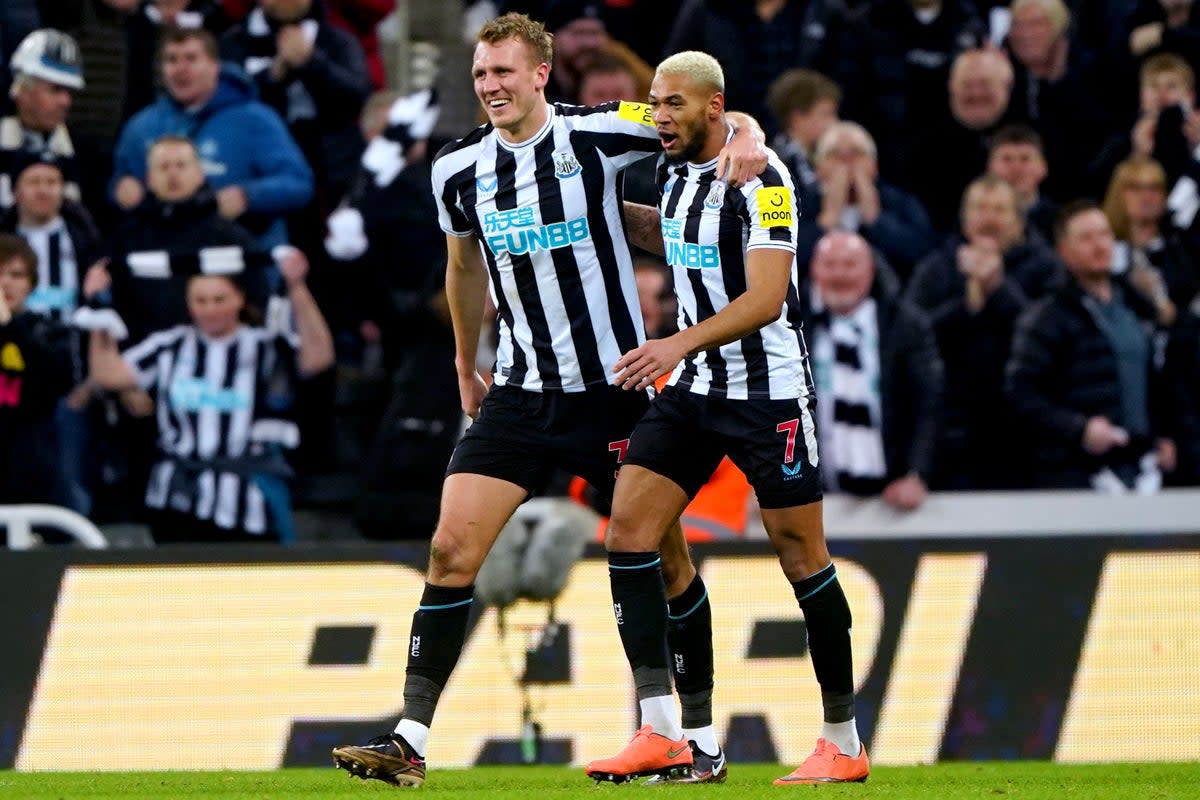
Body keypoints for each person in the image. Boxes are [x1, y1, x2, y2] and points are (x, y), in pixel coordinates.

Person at [330, 12, 767, 788]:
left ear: (540, 74)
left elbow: (695, 110)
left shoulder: (599, 132)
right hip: (520, 394)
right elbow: (462, 270)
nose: (490, 86)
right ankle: (409, 739)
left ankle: (696, 737)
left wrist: (746, 134)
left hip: (614, 391)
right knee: (450, 550)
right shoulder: (456, 169)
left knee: (666, 560)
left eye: (503, 72)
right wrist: (469, 362)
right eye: (480, 75)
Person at [581, 50, 868, 787]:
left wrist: (672, 342)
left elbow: (766, 297)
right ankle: (672, 734)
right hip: (698, 389)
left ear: (713, 107)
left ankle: (842, 739)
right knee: (630, 533)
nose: (659, 116)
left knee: (802, 558)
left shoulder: (765, 180)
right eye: (654, 102)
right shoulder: (673, 167)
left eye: (674, 104)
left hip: (769, 393)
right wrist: (596, 213)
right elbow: (670, 235)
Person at [84, 243, 335, 542]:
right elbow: (109, 374)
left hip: (245, 495)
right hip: (178, 494)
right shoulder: (170, 345)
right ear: (188, 304)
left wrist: (296, 288)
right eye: (200, 300)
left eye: (219, 299)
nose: (210, 309)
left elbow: (318, 358)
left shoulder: (264, 345)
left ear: (239, 299)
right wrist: (98, 307)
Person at [1006, 201, 1175, 490]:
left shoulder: (1138, 309)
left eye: (1104, 235)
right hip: (1076, 474)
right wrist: (1079, 429)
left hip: (1142, 469)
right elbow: (1020, 392)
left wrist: (1166, 435)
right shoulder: (1046, 318)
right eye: (1086, 238)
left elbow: (1160, 384)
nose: (1099, 246)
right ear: (1063, 251)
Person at [905, 175, 1056, 488]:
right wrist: (966, 307)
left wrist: (999, 289)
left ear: (1019, 220)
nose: (989, 218)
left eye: (999, 210)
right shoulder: (935, 269)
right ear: (964, 220)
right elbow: (910, 338)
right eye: (980, 208)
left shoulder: (1046, 267)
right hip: (951, 430)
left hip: (1027, 433)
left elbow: (1054, 337)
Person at [111, 27, 313, 250]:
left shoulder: (255, 119)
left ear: (215, 65)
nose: (181, 69)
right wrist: (121, 188)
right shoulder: (142, 126)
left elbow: (299, 183)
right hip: (164, 259)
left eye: (191, 58)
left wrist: (248, 196)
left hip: (244, 258)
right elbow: (119, 181)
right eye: (171, 60)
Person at [804, 231, 942, 509]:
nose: (839, 275)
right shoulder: (792, 329)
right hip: (814, 499)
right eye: (830, 265)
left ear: (871, 270)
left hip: (895, 500)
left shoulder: (905, 325)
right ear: (814, 270)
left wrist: (916, 475)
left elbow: (930, 406)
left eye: (849, 264)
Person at [801, 121, 936, 281]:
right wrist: (826, 221)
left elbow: (923, 255)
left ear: (874, 166)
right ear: (818, 169)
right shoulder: (800, 204)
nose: (847, 163)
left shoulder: (900, 202)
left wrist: (876, 220)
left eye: (856, 153)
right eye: (835, 155)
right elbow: (786, 259)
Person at [0, 233, 75, 508]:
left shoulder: (48, 332)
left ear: (31, 284)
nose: (5, 282)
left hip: (30, 473)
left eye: (16, 274)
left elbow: (56, 382)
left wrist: (10, 327)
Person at [1102, 155, 1199, 325]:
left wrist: (1173, 314)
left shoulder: (1185, 250)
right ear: (1119, 195)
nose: (1146, 197)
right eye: (1135, 189)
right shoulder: (1102, 248)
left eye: (1154, 188)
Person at [1, 29, 85, 211]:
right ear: (23, 90)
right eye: (55, 89)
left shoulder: (81, 149)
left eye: (68, 91)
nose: (66, 101)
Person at [987, 122, 1057, 243]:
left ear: (1043, 167)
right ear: (990, 168)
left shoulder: (1060, 221)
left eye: (1025, 159)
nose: (1016, 168)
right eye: (1006, 159)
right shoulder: (969, 221)